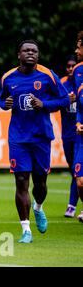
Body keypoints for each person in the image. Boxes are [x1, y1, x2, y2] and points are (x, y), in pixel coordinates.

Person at [0, 40, 69, 243]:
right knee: (21, 181)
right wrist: (5, 104)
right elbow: (1, 99)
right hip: (18, 138)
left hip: (41, 137)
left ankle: (38, 207)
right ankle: (26, 230)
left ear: (38, 55)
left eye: (34, 51)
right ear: (18, 54)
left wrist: (44, 104)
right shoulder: (8, 77)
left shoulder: (47, 75)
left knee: (40, 183)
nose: (30, 53)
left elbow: (64, 100)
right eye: (26, 50)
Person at [59, 55, 78, 218]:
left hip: (81, 133)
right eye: (68, 66)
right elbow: (51, 104)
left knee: (78, 171)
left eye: (73, 65)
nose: (70, 68)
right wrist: (66, 100)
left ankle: (72, 205)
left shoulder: (81, 80)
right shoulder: (61, 83)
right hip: (67, 134)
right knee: (74, 170)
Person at [73, 30, 83, 223]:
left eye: (79, 46)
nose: (76, 50)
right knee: (80, 181)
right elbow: (79, 106)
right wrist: (78, 122)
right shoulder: (78, 72)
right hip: (80, 137)